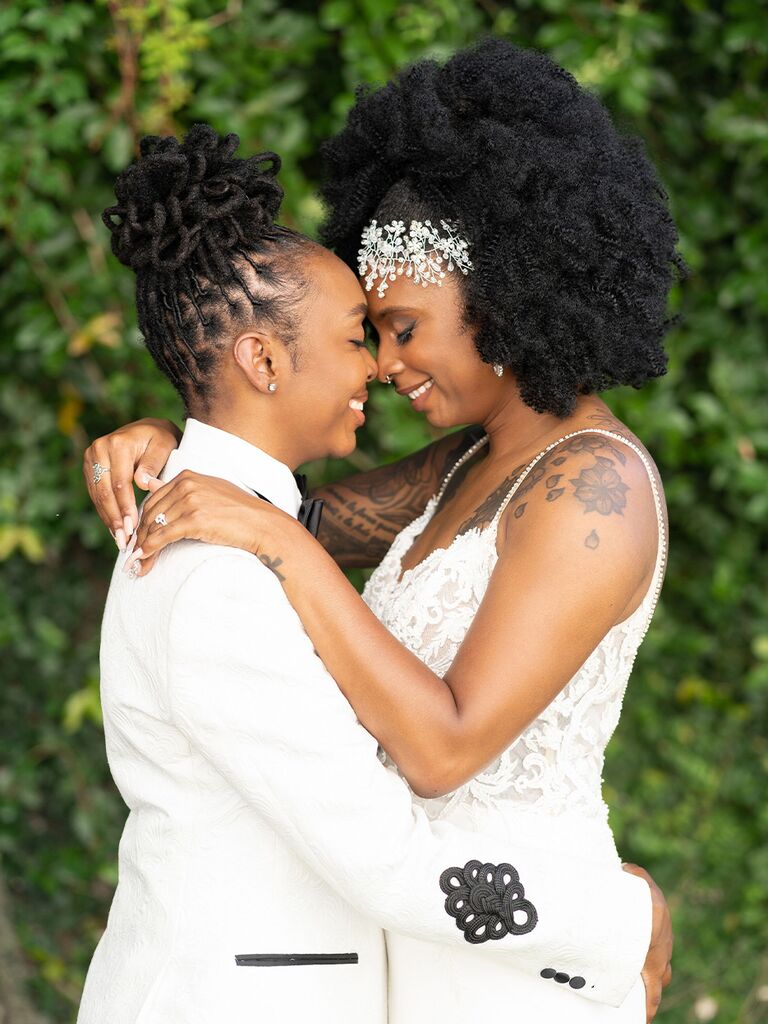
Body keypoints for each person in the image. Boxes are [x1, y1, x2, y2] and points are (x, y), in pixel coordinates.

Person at [78, 122, 670, 1024]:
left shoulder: (594, 489)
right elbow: (276, 512)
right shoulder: (464, 468)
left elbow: (437, 740)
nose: (386, 366)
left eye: (399, 328)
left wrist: (627, 921)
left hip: (513, 945)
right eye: (372, 334)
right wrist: (175, 447)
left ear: (501, 298)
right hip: (409, 945)